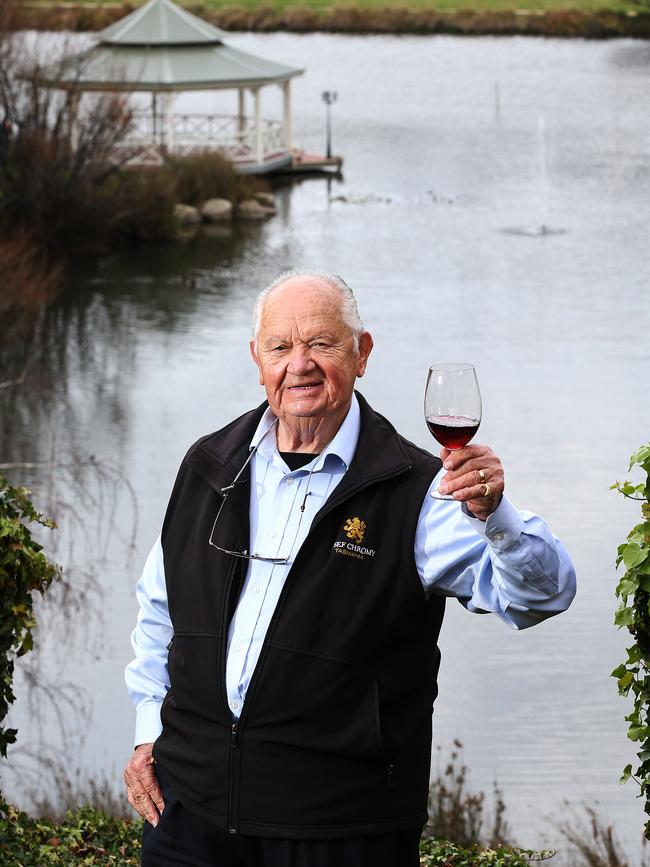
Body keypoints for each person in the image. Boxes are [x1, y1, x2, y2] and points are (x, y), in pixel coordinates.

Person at [124, 269, 576, 867]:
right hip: (192, 821)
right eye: (281, 347)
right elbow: (161, 610)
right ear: (257, 358)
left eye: (323, 343)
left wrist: (495, 516)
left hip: (339, 831)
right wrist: (149, 728)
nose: (300, 364)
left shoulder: (421, 493)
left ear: (362, 354)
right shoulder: (209, 466)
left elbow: (542, 597)